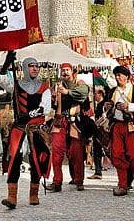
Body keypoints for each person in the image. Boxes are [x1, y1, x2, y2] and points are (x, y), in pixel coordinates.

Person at [0, 51, 51, 209]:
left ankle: (34, 193)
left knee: (37, 160)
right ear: (25, 68)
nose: (35, 69)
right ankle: (11, 196)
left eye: (36, 66)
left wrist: (29, 114)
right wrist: (6, 64)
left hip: (36, 129)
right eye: (31, 66)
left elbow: (45, 108)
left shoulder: (44, 87)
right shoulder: (16, 85)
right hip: (19, 129)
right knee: (15, 159)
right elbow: (1, 80)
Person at [105, 65, 134, 196]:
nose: (117, 77)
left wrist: (129, 106)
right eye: (116, 75)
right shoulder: (112, 91)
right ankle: (123, 185)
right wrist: (107, 106)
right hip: (117, 126)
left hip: (131, 126)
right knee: (117, 155)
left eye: (120, 75)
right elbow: (105, 108)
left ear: (127, 77)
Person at [46, 63, 90, 192]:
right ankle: (57, 182)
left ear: (72, 71)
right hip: (60, 121)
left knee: (77, 153)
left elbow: (84, 92)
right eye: (63, 70)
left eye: (67, 70)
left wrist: (67, 92)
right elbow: (52, 105)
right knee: (57, 153)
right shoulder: (58, 85)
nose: (65, 72)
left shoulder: (79, 83)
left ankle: (79, 180)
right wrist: (53, 96)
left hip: (74, 122)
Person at [88, 88, 106, 180]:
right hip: (98, 131)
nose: (94, 95)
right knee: (97, 151)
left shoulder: (103, 105)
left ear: (100, 94)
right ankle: (98, 171)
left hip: (102, 131)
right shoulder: (98, 105)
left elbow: (104, 117)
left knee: (106, 151)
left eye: (95, 94)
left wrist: (97, 124)